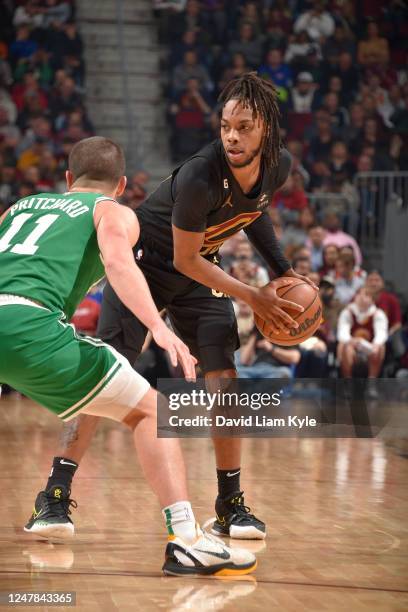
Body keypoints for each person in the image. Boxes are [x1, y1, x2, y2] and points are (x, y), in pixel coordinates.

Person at [26, 73, 316, 543]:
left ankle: (229, 504)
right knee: (107, 372)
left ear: (266, 127)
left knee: (226, 381)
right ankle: (54, 494)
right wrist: (253, 294)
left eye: (243, 127)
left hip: (203, 271)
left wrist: (282, 271)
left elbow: (255, 210)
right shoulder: (203, 172)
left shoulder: (278, 165)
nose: (232, 136)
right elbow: (185, 259)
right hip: (148, 264)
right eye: (225, 126)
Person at [0, 136, 257, 576]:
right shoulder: (111, 211)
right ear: (120, 185)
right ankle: (187, 540)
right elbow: (120, 264)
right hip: (30, 324)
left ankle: (54, 499)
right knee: (151, 410)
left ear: (67, 179)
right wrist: (158, 328)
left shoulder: (20, 207)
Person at [337, 287, 388, 395]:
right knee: (344, 345)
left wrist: (376, 344)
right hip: (352, 350)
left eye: (366, 295)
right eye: (359, 294)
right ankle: (348, 384)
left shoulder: (378, 314)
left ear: (372, 300)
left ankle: (371, 384)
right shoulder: (348, 312)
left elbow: (381, 333)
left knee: (381, 347)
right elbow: (342, 332)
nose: (361, 297)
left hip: (370, 350)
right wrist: (351, 341)